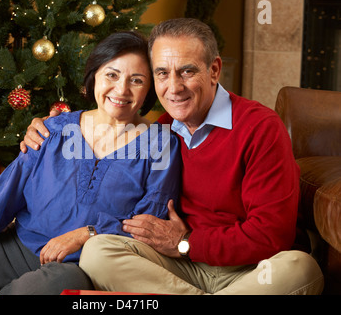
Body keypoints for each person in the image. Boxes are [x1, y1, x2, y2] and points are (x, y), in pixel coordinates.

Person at [21, 18, 324, 295]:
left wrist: (186, 243)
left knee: (300, 268)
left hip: (250, 270)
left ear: (214, 70)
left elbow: (271, 235)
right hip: (178, 267)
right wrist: (46, 127)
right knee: (99, 252)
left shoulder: (260, 127)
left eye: (187, 71)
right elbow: (125, 208)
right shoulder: (162, 132)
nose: (174, 88)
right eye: (162, 73)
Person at [0, 31, 181, 295]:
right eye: (112, 74)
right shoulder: (53, 129)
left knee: (44, 289)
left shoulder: (159, 145)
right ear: (94, 76)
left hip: (77, 266)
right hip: (19, 247)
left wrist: (86, 234)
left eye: (137, 80)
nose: (121, 89)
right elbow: (4, 195)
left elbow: (147, 225)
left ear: (149, 90)